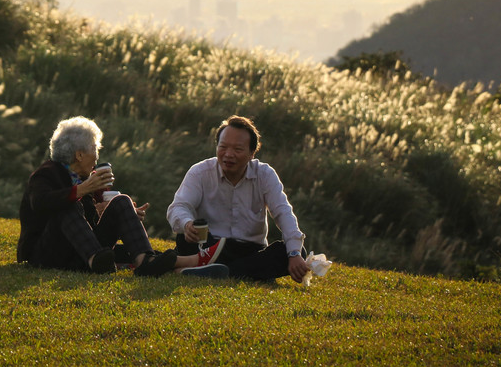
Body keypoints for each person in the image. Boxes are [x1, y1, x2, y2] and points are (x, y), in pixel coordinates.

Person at [18, 116, 227, 277]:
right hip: (46, 253)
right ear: (79, 154)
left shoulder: (83, 178)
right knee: (67, 205)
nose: (97, 154)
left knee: (121, 202)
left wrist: (125, 215)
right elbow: (40, 203)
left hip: (79, 250)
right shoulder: (46, 173)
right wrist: (81, 192)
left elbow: (84, 226)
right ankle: (95, 260)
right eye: (94, 148)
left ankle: (145, 260)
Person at [167, 115, 311, 283]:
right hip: (208, 245)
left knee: (297, 252)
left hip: (249, 249)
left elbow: (283, 212)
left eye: (237, 149)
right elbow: (178, 207)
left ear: (252, 153)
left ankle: (211, 270)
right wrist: (187, 223)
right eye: (223, 147)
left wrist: (293, 253)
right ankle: (244, 272)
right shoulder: (200, 172)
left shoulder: (264, 175)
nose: (228, 154)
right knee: (185, 239)